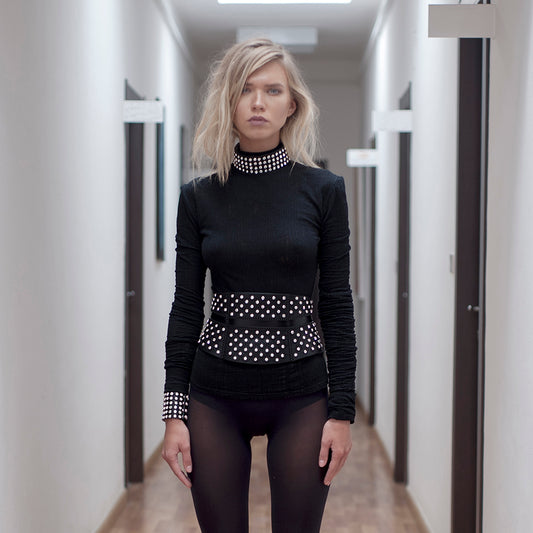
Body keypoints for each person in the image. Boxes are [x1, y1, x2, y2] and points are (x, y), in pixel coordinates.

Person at [161, 38, 356, 533]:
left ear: (292, 105)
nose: (258, 102)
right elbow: (186, 306)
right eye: (245, 90)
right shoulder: (198, 198)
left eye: (272, 90)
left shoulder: (324, 191)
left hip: (301, 395)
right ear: (228, 102)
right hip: (214, 396)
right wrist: (173, 413)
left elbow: (336, 304)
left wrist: (342, 412)